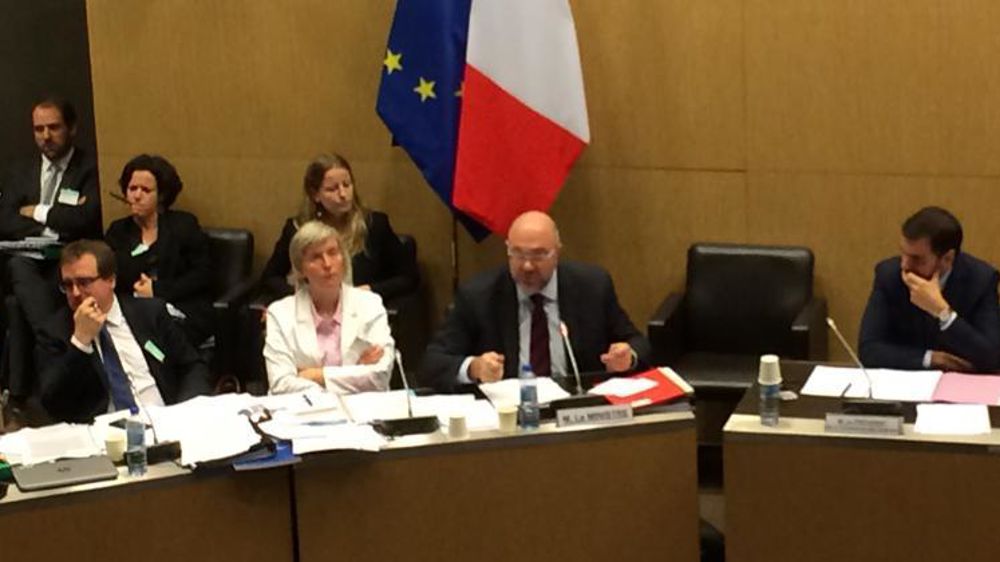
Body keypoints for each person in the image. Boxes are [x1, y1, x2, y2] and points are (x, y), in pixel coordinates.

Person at [421, 210, 651, 389]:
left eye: (539, 255)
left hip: (575, 409)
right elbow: (432, 363)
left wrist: (627, 357)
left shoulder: (592, 286)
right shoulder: (478, 295)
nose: (527, 266)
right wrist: (474, 368)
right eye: (518, 254)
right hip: (510, 415)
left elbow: (638, 343)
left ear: (557, 252)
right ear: (508, 250)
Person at [35, 240, 213, 423]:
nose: (75, 293)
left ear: (111, 280)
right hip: (106, 436)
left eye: (84, 282)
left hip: (166, 420)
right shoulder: (54, 332)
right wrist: (81, 342)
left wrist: (186, 410)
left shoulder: (150, 313)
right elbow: (53, 403)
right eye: (67, 285)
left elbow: (192, 366)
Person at [258, 153, 417, 304]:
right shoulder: (297, 229)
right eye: (332, 189)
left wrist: (371, 290)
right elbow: (271, 278)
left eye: (347, 185)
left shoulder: (374, 225)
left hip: (359, 312)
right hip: (310, 313)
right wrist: (301, 297)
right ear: (315, 194)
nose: (343, 194)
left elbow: (409, 278)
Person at [0, 97, 102, 333]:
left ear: (72, 128)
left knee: (18, 302)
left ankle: (51, 341)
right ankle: (54, 339)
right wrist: (48, 227)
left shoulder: (90, 167)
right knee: (18, 266)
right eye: (39, 129)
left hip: (69, 255)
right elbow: (4, 218)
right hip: (28, 253)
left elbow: (85, 218)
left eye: (54, 127)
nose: (46, 136)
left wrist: (36, 211)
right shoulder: (20, 170)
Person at [858, 206, 1000, 372]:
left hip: (960, 387)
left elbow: (993, 357)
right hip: (906, 384)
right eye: (903, 253)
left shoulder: (981, 280)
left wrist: (943, 313)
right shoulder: (889, 275)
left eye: (916, 259)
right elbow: (869, 349)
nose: (904, 265)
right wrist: (931, 358)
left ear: (947, 258)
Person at [264, 221, 394, 394]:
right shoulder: (280, 314)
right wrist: (356, 374)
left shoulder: (370, 304)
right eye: (316, 257)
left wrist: (314, 375)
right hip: (305, 413)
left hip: (364, 412)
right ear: (301, 269)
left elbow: (380, 377)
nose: (327, 264)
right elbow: (281, 384)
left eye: (333, 253)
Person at [104, 154, 213, 346]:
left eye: (145, 190)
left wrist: (157, 290)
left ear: (161, 195)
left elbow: (202, 275)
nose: (137, 195)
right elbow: (112, 273)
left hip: (180, 307)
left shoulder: (184, 225)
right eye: (132, 189)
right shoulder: (118, 231)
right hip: (132, 310)